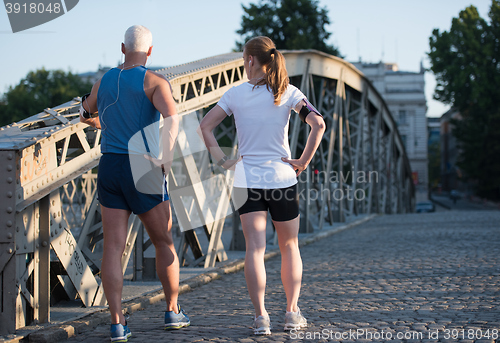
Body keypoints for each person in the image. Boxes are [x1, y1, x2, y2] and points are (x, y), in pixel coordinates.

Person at [199, 36, 325, 335]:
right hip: (282, 178)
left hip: (247, 180)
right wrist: (303, 161)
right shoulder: (288, 92)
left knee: (255, 250)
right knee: (289, 246)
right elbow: (318, 124)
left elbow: (205, 126)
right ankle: (292, 313)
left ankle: (260, 318)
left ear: (250, 60)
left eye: (244, 60)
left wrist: (222, 160)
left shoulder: (235, 95)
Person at [79, 25, 189, 342]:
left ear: (123, 48)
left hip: (110, 165)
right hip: (143, 165)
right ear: (150, 52)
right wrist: (166, 158)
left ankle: (117, 323)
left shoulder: (105, 80)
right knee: (163, 242)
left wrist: (102, 120)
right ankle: (172, 311)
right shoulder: (154, 82)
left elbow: (85, 114)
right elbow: (172, 118)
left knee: (112, 247)